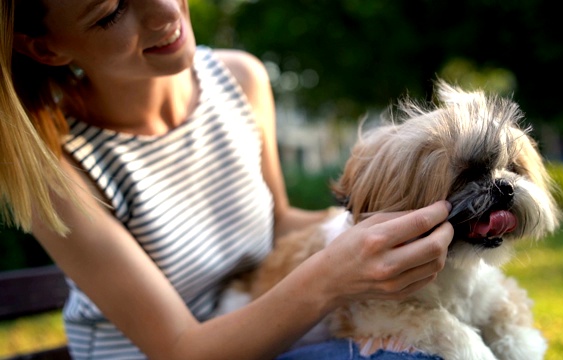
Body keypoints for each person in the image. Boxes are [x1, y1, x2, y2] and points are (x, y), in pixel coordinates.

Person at [0, 0, 454, 358]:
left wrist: (396, 217)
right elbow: (181, 350)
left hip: (268, 330)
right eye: (110, 12)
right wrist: (333, 275)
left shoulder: (239, 78)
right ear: (45, 47)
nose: (165, 11)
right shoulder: (54, 166)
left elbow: (278, 222)